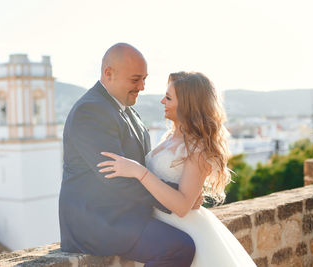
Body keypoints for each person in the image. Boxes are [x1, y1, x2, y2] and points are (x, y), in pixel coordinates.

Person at [59, 43, 198, 266]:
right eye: (135, 80)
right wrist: (177, 198)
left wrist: (181, 197)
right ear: (108, 74)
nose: (142, 86)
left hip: (127, 216)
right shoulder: (90, 111)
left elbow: (142, 167)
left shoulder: (128, 110)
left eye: (145, 79)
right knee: (179, 247)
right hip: (99, 223)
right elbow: (117, 178)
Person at [98, 72, 257, 266]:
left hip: (182, 231)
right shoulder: (169, 137)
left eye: (169, 97)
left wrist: (139, 171)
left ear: (187, 104)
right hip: (156, 228)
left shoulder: (198, 149)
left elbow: (182, 206)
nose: (162, 101)